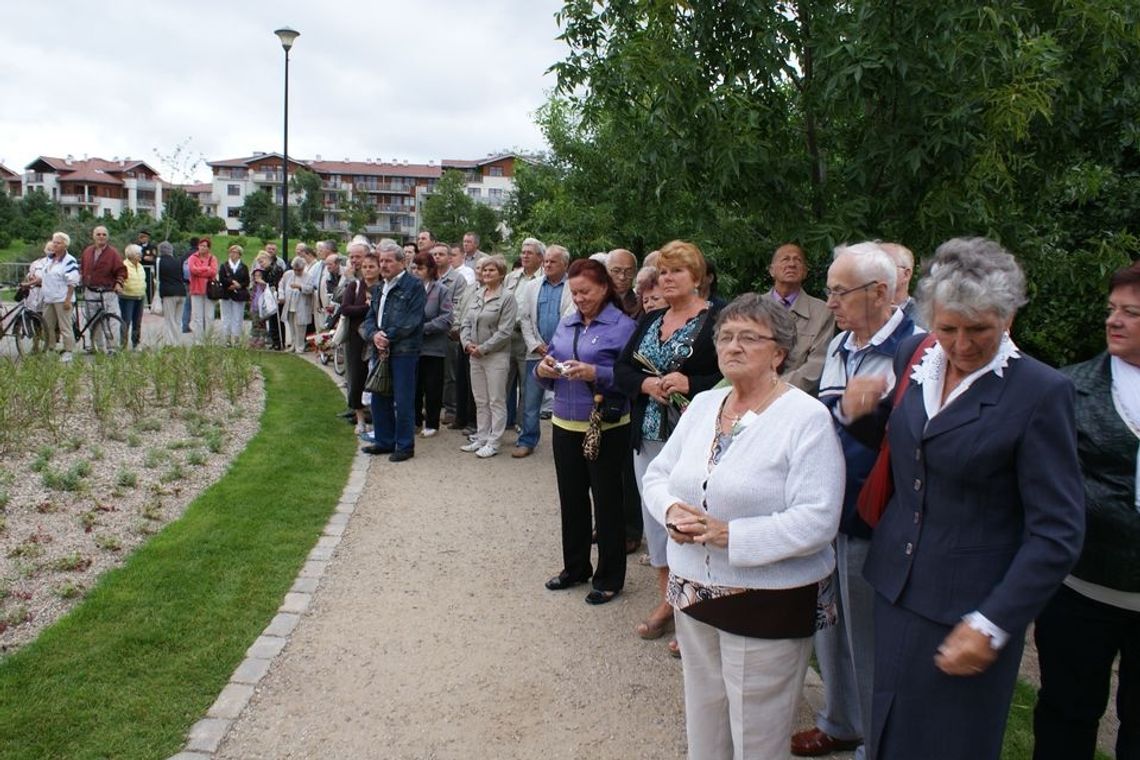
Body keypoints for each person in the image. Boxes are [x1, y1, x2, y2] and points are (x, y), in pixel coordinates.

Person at [839, 237, 1084, 759]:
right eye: (948, 328)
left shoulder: (1041, 393)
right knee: (888, 730)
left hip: (968, 608)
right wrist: (860, 415)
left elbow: (1057, 533)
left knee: (951, 745)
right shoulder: (916, 353)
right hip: (897, 588)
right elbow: (908, 449)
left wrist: (993, 621)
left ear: (1009, 319)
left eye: (980, 330)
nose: (962, 345)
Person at [641, 293, 845, 758]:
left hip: (766, 599)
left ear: (779, 352)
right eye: (726, 336)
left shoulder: (805, 418)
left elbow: (818, 517)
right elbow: (658, 475)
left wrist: (731, 535)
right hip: (693, 588)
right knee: (705, 715)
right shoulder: (701, 408)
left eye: (749, 338)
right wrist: (671, 511)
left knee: (758, 733)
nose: (733, 346)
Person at [793, 242, 922, 759]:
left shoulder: (917, 350)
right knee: (829, 625)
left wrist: (865, 414)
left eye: (839, 292)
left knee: (869, 639)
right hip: (828, 508)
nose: (830, 303)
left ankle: (876, 743)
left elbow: (913, 443)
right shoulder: (844, 344)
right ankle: (840, 722)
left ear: (881, 292)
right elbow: (829, 419)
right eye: (828, 291)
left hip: (875, 517)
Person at [1032, 261, 1140, 760]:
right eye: (1111, 310)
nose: (1114, 321)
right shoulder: (1068, 388)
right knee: (1066, 716)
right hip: (1081, 590)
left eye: (1131, 313)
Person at [614, 240, 723, 656]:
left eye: (677, 271)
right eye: (662, 272)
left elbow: (730, 372)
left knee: (692, 520)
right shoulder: (652, 319)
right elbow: (622, 368)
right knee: (657, 519)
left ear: (697, 278)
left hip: (696, 438)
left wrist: (690, 384)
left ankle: (698, 608)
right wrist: (646, 384)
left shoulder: (716, 320)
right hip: (649, 432)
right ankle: (670, 602)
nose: (668, 279)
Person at [537, 259, 638, 604]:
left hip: (606, 425)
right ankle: (575, 568)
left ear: (605, 289)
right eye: (574, 292)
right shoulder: (567, 322)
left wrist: (596, 372)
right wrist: (543, 368)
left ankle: (609, 577)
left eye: (586, 292)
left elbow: (630, 378)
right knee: (572, 500)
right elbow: (550, 358)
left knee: (607, 502)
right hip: (565, 422)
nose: (579, 299)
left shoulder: (623, 326)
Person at [361, 240, 426, 462]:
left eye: (388, 261)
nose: (384, 265)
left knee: (403, 399)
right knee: (379, 396)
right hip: (381, 350)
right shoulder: (380, 288)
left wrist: (386, 337)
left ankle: (405, 445)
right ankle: (384, 441)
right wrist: (374, 335)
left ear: (402, 262)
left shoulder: (414, 286)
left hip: (403, 351)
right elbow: (370, 318)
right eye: (381, 261)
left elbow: (413, 321)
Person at [516, 244, 573, 458]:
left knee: (566, 399)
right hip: (537, 352)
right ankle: (527, 440)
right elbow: (525, 319)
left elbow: (571, 317)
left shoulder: (572, 287)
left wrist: (557, 347)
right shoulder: (532, 286)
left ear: (565, 264)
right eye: (546, 261)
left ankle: (567, 444)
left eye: (553, 261)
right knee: (531, 400)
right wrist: (536, 345)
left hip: (564, 353)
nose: (547, 264)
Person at [460, 254, 518, 458]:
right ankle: (482, 437)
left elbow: (505, 331)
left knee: (496, 400)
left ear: (501, 273)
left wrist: (483, 348)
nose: (486, 273)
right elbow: (466, 322)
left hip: (496, 356)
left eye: (491, 270)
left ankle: (494, 441)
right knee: (480, 399)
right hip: (474, 355)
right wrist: (467, 344)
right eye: (484, 270)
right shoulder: (478, 294)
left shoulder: (507, 297)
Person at [768, 243, 835, 395]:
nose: (791, 264)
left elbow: (816, 365)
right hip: (751, 394)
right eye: (785, 259)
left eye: (797, 260)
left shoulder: (823, 311)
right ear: (772, 270)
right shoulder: (751, 307)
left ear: (805, 272)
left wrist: (773, 391)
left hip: (797, 397)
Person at [339, 245, 381, 435]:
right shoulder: (354, 286)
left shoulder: (383, 287)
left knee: (378, 378)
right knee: (357, 378)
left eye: (371, 266)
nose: (367, 270)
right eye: (364, 267)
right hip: (357, 339)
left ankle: (378, 418)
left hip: (378, 338)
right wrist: (366, 308)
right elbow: (346, 309)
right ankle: (360, 419)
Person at [412, 252, 454, 438]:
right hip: (413, 347)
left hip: (434, 348)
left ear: (430, 269)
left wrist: (423, 327)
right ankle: (414, 421)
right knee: (414, 386)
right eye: (414, 267)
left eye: (420, 268)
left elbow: (447, 318)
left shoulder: (441, 290)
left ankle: (432, 423)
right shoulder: (411, 288)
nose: (416, 271)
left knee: (433, 388)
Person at [505, 238, 545, 431]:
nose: (524, 255)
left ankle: (523, 426)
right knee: (506, 382)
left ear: (540, 257)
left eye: (529, 252)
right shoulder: (512, 277)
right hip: (507, 336)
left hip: (530, 338)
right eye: (523, 251)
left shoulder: (544, 279)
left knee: (528, 387)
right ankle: (506, 420)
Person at [79, 225, 126, 353]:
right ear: (93, 236)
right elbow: (82, 269)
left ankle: (113, 347)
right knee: (93, 320)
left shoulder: (113, 253)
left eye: (104, 234)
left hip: (108, 292)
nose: (101, 237)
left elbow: (121, 271)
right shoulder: (87, 252)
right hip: (91, 291)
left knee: (112, 320)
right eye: (98, 234)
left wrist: (118, 283)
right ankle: (97, 347)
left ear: (107, 237)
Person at [39, 231, 80, 362]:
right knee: (48, 325)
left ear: (65, 245)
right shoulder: (50, 259)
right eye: (54, 242)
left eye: (58, 242)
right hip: (48, 297)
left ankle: (69, 351)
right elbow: (44, 276)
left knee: (65, 326)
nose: (55, 245)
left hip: (62, 298)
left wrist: (68, 299)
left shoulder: (69, 261)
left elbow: (73, 281)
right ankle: (50, 348)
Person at [880, 241, 924, 329]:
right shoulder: (858, 317)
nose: (874, 271)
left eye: (884, 266)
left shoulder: (924, 320)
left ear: (906, 274)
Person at [186, 237, 219, 342]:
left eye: (205, 246)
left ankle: (209, 338)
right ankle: (199, 340)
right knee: (197, 316)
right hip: (196, 289)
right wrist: (206, 269)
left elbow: (213, 272)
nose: (202, 248)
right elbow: (192, 270)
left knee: (209, 316)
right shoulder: (192, 257)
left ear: (209, 248)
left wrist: (200, 270)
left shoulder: (212, 258)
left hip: (209, 290)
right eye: (201, 245)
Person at [217, 244, 250, 346]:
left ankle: (236, 339)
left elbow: (247, 281)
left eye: (235, 252)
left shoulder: (243, 267)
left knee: (237, 317)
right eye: (231, 252)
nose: (232, 254)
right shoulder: (224, 266)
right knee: (226, 317)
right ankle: (227, 339)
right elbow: (221, 279)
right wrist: (231, 283)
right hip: (226, 293)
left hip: (239, 295)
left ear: (239, 254)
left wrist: (239, 285)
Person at [155, 241, 186, 347]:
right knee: (178, 320)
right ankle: (178, 341)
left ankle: (170, 343)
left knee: (170, 320)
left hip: (169, 293)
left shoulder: (160, 262)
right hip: (181, 292)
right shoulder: (178, 261)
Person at [119, 244, 147, 350]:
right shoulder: (124, 265)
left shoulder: (140, 266)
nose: (140, 255)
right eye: (137, 253)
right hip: (127, 297)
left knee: (137, 321)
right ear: (131, 255)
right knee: (126, 321)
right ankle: (123, 344)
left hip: (140, 296)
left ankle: (136, 343)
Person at [278, 258, 308, 351]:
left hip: (301, 305)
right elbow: (281, 286)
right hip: (290, 304)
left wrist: (300, 287)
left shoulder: (308, 276)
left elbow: (310, 288)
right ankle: (293, 345)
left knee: (300, 327)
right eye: (295, 269)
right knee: (291, 326)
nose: (297, 272)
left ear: (303, 268)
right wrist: (281, 296)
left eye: (299, 270)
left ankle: (300, 347)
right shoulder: (288, 274)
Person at [607, 248, 640, 317]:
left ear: (635, 273)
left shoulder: (640, 304)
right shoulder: (596, 302)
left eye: (628, 272)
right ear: (606, 271)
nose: (622, 277)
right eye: (616, 271)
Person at [136, 229, 158, 303]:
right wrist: (143, 258)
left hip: (149, 270)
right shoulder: (137, 247)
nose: (142, 239)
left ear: (147, 238)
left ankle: (150, 304)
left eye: (144, 237)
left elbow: (152, 258)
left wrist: (143, 258)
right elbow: (136, 257)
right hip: (139, 270)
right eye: (141, 237)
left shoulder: (152, 247)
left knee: (150, 288)